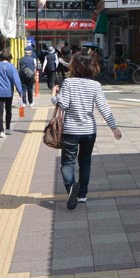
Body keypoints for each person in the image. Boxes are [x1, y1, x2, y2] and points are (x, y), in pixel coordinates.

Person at [53, 52, 122, 210]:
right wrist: (114, 127)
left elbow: (62, 105)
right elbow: (103, 108)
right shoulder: (95, 85)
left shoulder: (69, 83)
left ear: (74, 66)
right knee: (85, 162)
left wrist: (54, 96)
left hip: (70, 130)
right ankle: (82, 195)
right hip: (89, 131)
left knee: (67, 163)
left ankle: (71, 188)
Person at [0, 51, 23, 138]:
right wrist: (20, 92)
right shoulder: (12, 67)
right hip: (8, 93)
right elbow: (17, 81)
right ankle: (8, 128)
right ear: (9, 58)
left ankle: (1, 131)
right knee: (8, 110)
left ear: (0, 57)